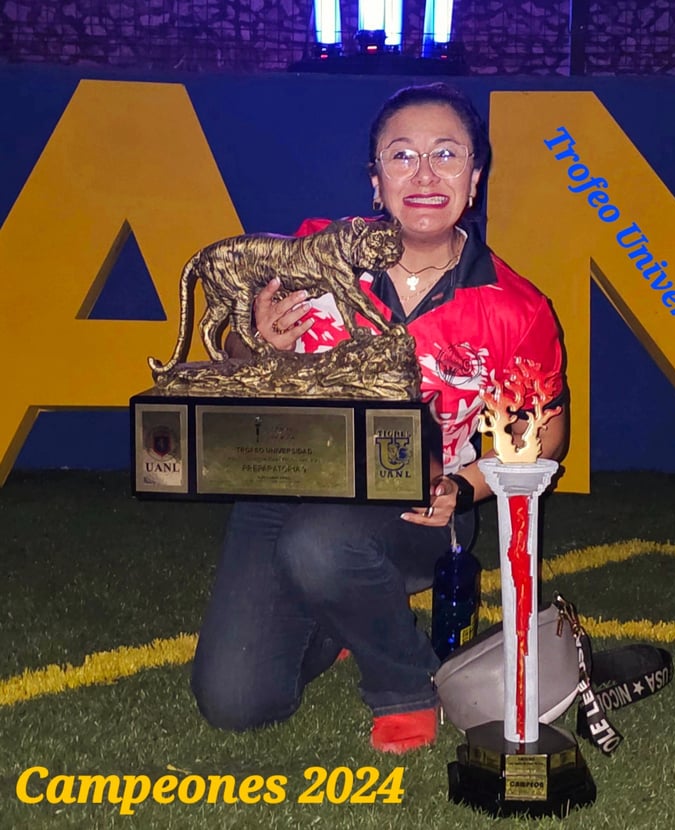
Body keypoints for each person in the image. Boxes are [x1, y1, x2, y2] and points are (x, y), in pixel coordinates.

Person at [191, 82, 568, 753]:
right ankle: (344, 613)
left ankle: (405, 686)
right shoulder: (311, 256)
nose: (424, 175)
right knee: (236, 701)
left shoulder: (515, 307)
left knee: (320, 545)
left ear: (475, 178)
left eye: (446, 155)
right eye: (402, 156)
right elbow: (240, 364)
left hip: (418, 503)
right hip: (289, 482)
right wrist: (260, 346)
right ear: (375, 180)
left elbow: (544, 428)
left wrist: (464, 489)